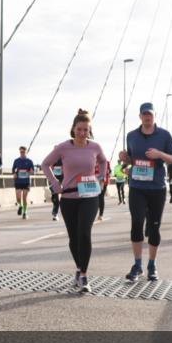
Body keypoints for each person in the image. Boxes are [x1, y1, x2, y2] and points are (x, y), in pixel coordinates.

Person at [41, 110, 107, 293]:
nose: (82, 133)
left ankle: (84, 275)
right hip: (68, 198)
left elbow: (104, 161)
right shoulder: (63, 147)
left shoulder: (95, 147)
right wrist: (55, 183)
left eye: (86, 130)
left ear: (89, 130)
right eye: (79, 129)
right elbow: (45, 164)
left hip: (89, 197)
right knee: (74, 237)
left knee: (84, 233)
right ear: (73, 129)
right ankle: (79, 267)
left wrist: (101, 178)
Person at [119, 103, 172, 282]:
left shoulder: (165, 135)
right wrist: (125, 159)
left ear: (154, 116)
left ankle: (152, 265)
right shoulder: (131, 136)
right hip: (137, 187)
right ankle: (137, 265)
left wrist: (160, 154)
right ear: (140, 117)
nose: (147, 117)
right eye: (144, 115)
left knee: (154, 226)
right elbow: (130, 160)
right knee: (137, 223)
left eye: (150, 115)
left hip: (157, 188)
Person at [11, 146, 35, 220]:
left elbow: (33, 171)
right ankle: (20, 206)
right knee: (18, 198)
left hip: (26, 182)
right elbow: (13, 169)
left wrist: (31, 172)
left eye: (23, 152)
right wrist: (14, 173)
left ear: (26, 152)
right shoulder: (16, 161)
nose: (22, 153)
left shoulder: (30, 161)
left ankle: (25, 212)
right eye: (21, 152)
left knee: (24, 198)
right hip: (18, 181)